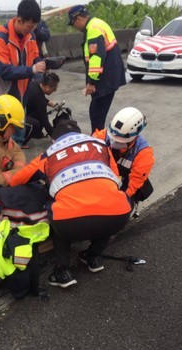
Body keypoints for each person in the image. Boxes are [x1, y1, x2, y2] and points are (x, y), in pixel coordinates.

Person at [10, 121, 132, 288]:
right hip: (118, 218)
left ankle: (62, 271)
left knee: (58, 208)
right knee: (109, 202)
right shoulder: (100, 145)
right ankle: (93, 256)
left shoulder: (50, 153)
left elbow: (18, 179)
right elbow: (115, 178)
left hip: (71, 224)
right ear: (79, 133)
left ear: (54, 140)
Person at [0, 0, 46, 145]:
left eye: (34, 27)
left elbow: (34, 56)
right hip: (4, 98)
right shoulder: (1, 38)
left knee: (18, 140)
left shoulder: (30, 37)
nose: (32, 30)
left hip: (21, 97)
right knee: (2, 140)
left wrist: (41, 63)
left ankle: (16, 163)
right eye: (29, 26)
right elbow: (5, 71)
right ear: (19, 20)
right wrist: (32, 70)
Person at [68, 5, 126, 134]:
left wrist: (91, 83)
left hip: (104, 80)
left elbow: (96, 58)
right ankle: (98, 139)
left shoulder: (93, 29)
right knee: (96, 113)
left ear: (77, 19)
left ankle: (98, 144)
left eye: (72, 24)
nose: (75, 28)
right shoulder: (98, 23)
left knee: (96, 115)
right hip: (109, 76)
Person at [93, 107, 155, 206]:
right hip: (103, 176)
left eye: (120, 140)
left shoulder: (143, 153)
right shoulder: (102, 136)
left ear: (134, 137)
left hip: (125, 182)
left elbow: (134, 182)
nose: (115, 142)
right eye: (114, 138)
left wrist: (120, 199)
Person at [23, 72, 59, 148]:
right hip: (19, 117)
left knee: (39, 113)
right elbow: (45, 121)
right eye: (54, 89)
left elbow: (38, 97)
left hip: (24, 109)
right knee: (36, 122)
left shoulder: (37, 84)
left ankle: (37, 134)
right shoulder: (40, 100)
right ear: (48, 87)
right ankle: (21, 141)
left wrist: (49, 103)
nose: (55, 90)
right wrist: (55, 136)